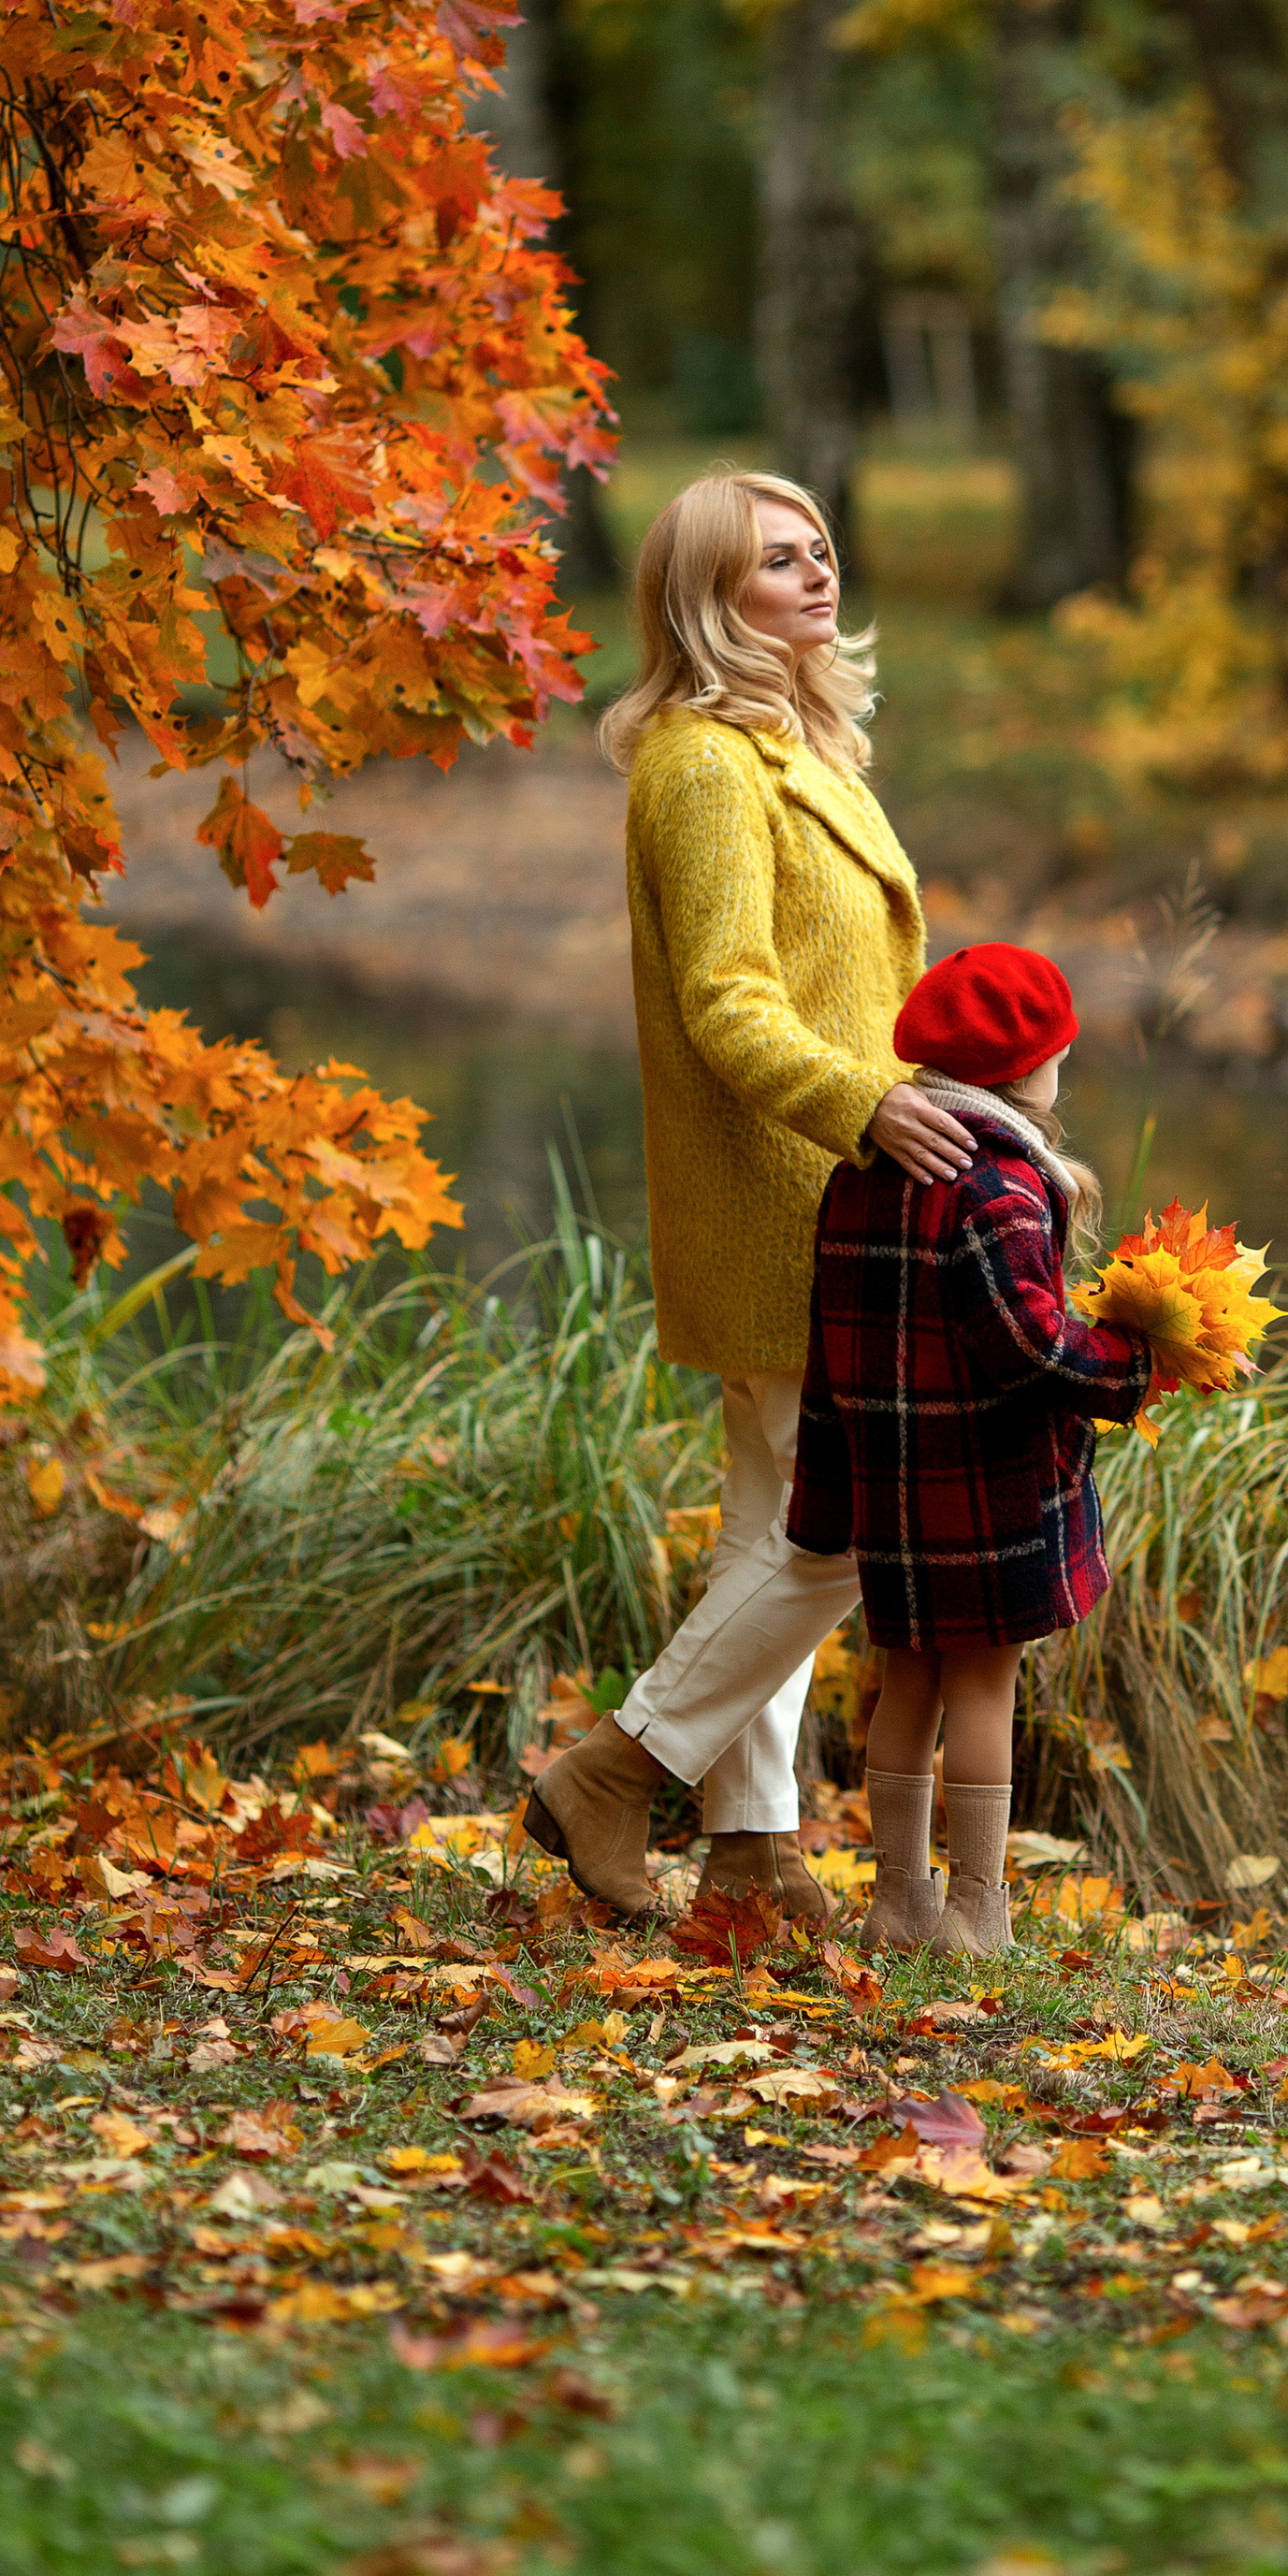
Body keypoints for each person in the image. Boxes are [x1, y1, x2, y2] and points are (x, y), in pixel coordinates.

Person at [524, 471, 977, 1924]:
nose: (818, 577)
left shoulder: (806, 746)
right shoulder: (704, 764)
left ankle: (751, 1856)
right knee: (844, 1537)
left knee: (773, 1526)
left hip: (834, 1190)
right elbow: (730, 1001)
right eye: (779, 565)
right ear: (709, 600)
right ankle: (617, 1768)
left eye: (821, 552)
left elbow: (858, 984)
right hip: (796, 1194)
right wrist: (867, 1108)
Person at [788, 943, 1154, 1956]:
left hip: (891, 1485)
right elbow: (1027, 1346)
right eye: (1056, 1056)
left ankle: (898, 1904)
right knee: (983, 1690)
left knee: (904, 1683)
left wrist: (825, 1492)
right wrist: (1130, 1361)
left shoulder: (861, 1171)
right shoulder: (995, 1184)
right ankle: (977, 1914)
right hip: (982, 1490)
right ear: (1027, 1071)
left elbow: (825, 1348)